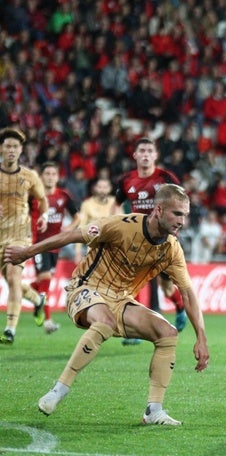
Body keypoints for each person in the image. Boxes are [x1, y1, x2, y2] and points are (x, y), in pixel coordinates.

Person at [4, 184, 210, 425]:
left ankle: (154, 410)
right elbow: (71, 235)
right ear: (159, 209)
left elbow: (188, 293)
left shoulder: (171, 249)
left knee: (168, 333)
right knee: (105, 321)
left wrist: (201, 337)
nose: (182, 221)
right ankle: (59, 389)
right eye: (177, 214)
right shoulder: (121, 225)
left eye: (185, 215)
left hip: (121, 299)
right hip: (85, 288)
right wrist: (27, 252)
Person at [115, 137, 187, 343]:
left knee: (165, 287)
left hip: (164, 240)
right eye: (142, 151)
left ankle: (179, 304)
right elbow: (116, 204)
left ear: (155, 155)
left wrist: (176, 225)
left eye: (149, 151)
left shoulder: (165, 177)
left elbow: (181, 203)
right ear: (135, 155)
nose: (146, 154)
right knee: (132, 283)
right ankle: (137, 331)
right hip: (138, 239)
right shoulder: (126, 180)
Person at [0, 127, 49, 344]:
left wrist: (45, 215)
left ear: (21, 150)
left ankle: (10, 329)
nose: (11, 150)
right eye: (7, 146)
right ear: (1, 149)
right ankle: (37, 300)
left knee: (13, 277)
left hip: (20, 234)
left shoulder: (29, 176)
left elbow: (42, 199)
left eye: (15, 146)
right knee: (13, 283)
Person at [31, 161, 80, 333]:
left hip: (55, 246)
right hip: (37, 244)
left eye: (53, 174)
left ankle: (30, 293)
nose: (50, 177)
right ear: (42, 176)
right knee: (46, 278)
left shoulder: (63, 196)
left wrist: (69, 228)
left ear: (57, 177)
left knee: (42, 283)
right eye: (47, 174)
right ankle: (47, 321)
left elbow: (77, 217)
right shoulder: (34, 196)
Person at [74, 176, 119, 262]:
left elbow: (122, 226)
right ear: (95, 188)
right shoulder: (87, 204)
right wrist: (78, 252)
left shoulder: (115, 202)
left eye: (105, 187)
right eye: (100, 187)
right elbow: (81, 227)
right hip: (93, 247)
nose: (102, 190)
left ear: (110, 188)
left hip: (112, 247)